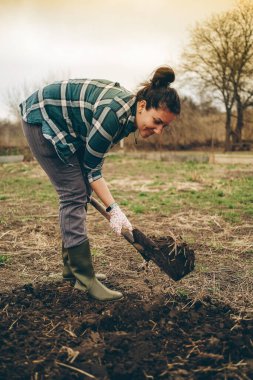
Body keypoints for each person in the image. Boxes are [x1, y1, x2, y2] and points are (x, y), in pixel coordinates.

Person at [19, 66, 181, 302]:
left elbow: (91, 165)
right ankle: (84, 279)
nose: (158, 131)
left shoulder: (128, 116)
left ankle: (72, 271)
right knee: (73, 193)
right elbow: (93, 171)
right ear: (143, 106)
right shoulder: (113, 115)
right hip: (43, 119)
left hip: (68, 127)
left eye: (163, 126)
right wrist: (114, 210)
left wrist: (111, 207)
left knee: (81, 190)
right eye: (156, 121)